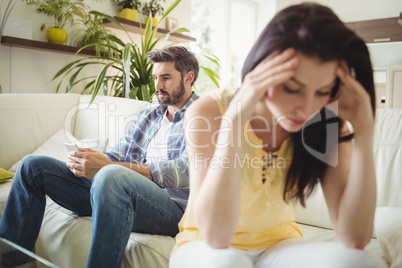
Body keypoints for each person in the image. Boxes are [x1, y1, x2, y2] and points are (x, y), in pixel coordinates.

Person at [169, 3, 387, 268]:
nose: (307, 108)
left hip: (278, 245)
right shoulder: (209, 111)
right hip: (203, 245)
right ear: (262, 69)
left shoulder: (325, 122)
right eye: (292, 88)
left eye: (322, 91)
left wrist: (364, 132)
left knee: (361, 262)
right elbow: (217, 236)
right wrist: (235, 123)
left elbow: (355, 237)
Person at [0, 46, 199, 267]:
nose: (158, 86)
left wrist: (111, 168)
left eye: (166, 78)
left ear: (189, 77)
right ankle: (11, 263)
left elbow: (191, 168)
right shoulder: (150, 115)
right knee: (33, 167)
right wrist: (89, 161)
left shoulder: (203, 114)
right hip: (118, 194)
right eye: (155, 77)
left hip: (171, 210)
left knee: (112, 175)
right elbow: (117, 155)